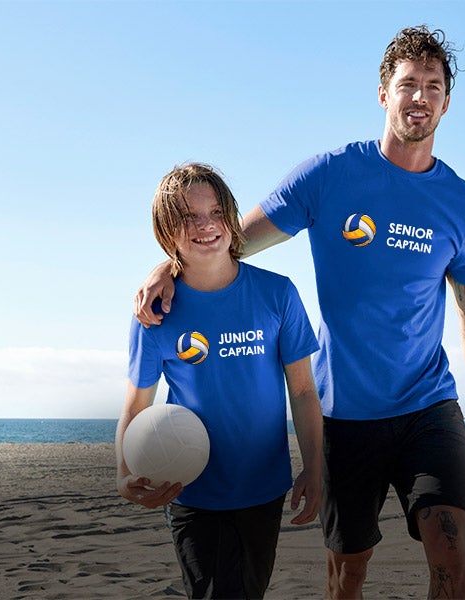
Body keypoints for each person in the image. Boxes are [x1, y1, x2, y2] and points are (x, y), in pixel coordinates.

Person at [135, 26, 465, 599]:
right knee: (349, 573)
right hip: (344, 414)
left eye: (432, 86)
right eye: (407, 84)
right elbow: (231, 241)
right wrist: (166, 265)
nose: (420, 97)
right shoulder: (328, 175)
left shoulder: (463, 206)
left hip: (428, 406)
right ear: (382, 93)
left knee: (450, 550)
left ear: (447, 100)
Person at [117, 163, 324, 599]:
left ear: (231, 216)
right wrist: (123, 473)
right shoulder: (154, 314)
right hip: (189, 487)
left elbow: (303, 392)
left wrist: (314, 466)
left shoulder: (278, 294)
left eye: (214, 212)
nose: (205, 225)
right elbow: (136, 406)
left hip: (263, 486)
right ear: (166, 230)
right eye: (188, 218)